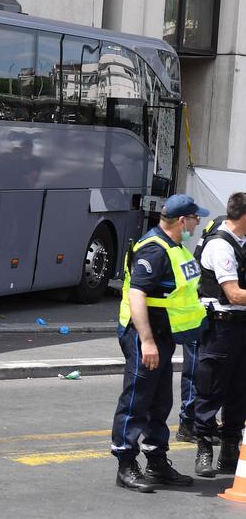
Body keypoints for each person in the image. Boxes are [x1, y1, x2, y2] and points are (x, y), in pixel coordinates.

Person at [111, 194, 208, 492]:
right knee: (137, 400)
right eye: (195, 218)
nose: (197, 222)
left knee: (159, 401)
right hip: (146, 335)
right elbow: (136, 295)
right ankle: (126, 464)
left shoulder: (174, 247)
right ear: (182, 220)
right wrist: (147, 341)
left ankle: (156, 461)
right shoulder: (154, 250)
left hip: (163, 336)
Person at [192, 192, 246, 477]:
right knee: (211, 389)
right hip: (221, 327)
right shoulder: (220, 245)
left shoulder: (242, 243)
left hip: (241, 326)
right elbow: (234, 295)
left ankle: (229, 451)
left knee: (239, 391)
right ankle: (204, 448)